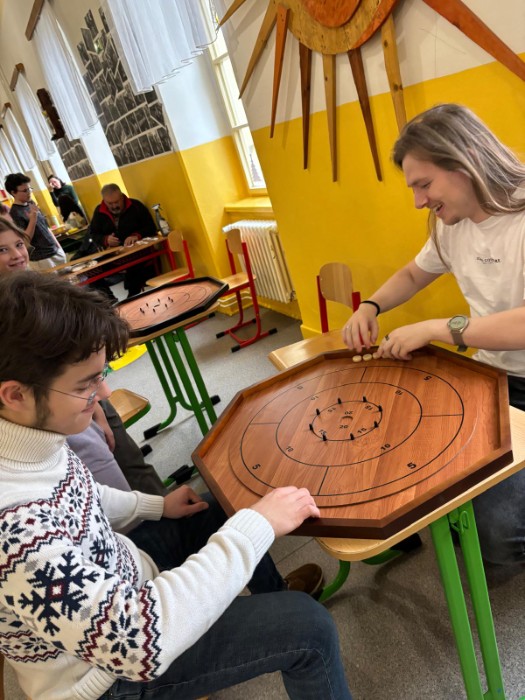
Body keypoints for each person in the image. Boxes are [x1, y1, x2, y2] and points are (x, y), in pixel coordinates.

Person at [0, 271, 351, 700]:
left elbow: (82, 498)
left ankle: (270, 600)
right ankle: (282, 617)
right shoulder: (13, 528)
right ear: (15, 395)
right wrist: (256, 528)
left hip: (124, 580)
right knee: (309, 627)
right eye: (86, 384)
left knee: (217, 510)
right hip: (106, 676)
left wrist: (154, 506)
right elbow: (135, 642)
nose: (104, 392)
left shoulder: (30, 436)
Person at [343, 103, 525, 567]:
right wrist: (370, 306)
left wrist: (441, 328)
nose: (419, 201)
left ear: (466, 162)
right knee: (409, 452)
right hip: (491, 375)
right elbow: (412, 274)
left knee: (498, 539)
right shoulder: (451, 225)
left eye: (423, 185)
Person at [89, 183, 157, 297]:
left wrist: (136, 236)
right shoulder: (99, 211)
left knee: (134, 270)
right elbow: (93, 234)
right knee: (92, 273)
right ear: (104, 201)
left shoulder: (135, 206)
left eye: (117, 202)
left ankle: (133, 297)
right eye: (110, 203)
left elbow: (151, 227)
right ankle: (110, 300)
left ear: (122, 197)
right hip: (113, 254)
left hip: (137, 251)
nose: (114, 206)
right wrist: (105, 239)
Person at [5, 172, 66, 269]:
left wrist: (58, 246)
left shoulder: (31, 203)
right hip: (41, 258)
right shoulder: (14, 213)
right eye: (25, 190)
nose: (29, 192)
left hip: (55, 251)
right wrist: (33, 218)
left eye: (29, 189)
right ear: (13, 193)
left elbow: (45, 227)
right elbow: (25, 240)